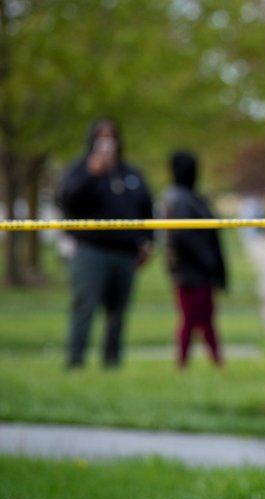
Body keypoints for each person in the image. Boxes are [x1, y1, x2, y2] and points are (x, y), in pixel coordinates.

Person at [58, 116, 154, 370]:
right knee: (84, 308)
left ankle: (111, 364)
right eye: (101, 136)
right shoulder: (80, 170)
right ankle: (75, 363)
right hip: (91, 250)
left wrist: (148, 241)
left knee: (118, 313)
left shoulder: (131, 173)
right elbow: (67, 201)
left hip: (125, 253)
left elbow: (146, 208)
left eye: (111, 135)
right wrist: (91, 174)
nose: (107, 142)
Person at [162, 150, 227, 369]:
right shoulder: (179, 199)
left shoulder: (189, 198)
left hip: (198, 271)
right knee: (192, 320)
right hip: (190, 272)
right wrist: (207, 260)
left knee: (203, 319)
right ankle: (185, 364)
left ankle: (214, 363)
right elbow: (183, 237)